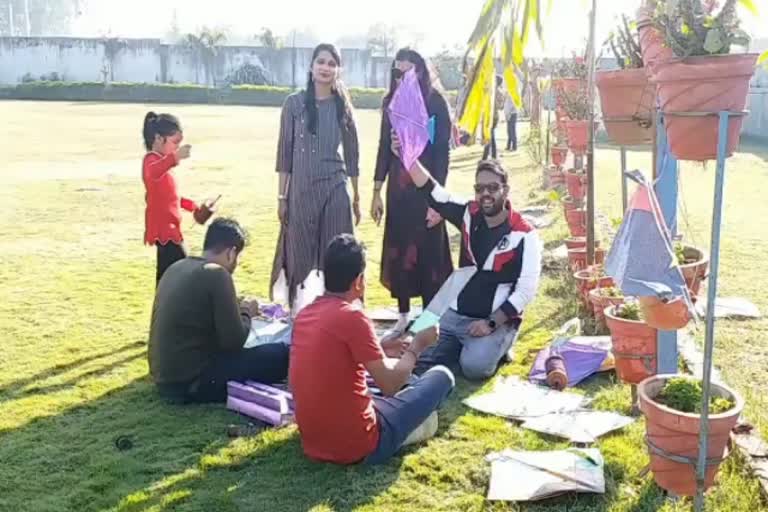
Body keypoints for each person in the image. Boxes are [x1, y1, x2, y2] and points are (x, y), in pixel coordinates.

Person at [290, 234, 455, 465]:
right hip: (359, 444)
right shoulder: (352, 316)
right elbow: (389, 385)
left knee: (404, 379)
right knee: (441, 377)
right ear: (358, 281)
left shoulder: (305, 315)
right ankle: (413, 425)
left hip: (313, 440)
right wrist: (417, 346)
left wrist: (381, 348)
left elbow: (333, 357)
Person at [397, 142, 542, 380]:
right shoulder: (468, 213)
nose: (485, 194)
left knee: (474, 369)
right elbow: (434, 193)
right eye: (480, 188)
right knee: (412, 350)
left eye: (493, 187)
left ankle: (502, 342)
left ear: (505, 190)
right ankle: (457, 345)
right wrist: (406, 154)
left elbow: (526, 291)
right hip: (451, 310)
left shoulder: (525, 234)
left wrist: (492, 324)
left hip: (493, 318)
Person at [149, 218, 289, 403]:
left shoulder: (177, 267)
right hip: (192, 382)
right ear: (231, 253)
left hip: (164, 378)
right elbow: (234, 342)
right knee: (280, 355)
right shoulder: (217, 274)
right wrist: (248, 313)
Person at [270, 43, 361, 316]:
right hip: (300, 190)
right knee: (299, 254)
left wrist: (356, 196)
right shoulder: (294, 104)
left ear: (338, 70)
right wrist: (282, 197)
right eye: (321, 62)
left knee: (337, 255)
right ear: (311, 67)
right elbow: (284, 153)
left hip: (335, 187)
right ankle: (299, 314)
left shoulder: (342, 105)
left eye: (332, 63)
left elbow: (354, 155)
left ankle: (336, 314)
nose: (326, 68)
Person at [370, 48, 454, 334]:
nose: (402, 78)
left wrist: (438, 201)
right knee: (399, 249)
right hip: (399, 191)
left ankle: (431, 321)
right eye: (397, 72)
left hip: (427, 188)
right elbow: (384, 148)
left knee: (430, 253)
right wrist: (377, 190)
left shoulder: (435, 103)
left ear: (421, 71)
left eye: (408, 72)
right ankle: (403, 315)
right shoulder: (391, 104)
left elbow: (443, 153)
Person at [141, 112, 215, 285]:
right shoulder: (151, 161)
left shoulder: (165, 167)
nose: (176, 148)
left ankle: (164, 309)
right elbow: (153, 171)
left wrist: (194, 207)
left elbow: (172, 197)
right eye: (174, 142)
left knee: (168, 278)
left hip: (171, 230)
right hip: (165, 232)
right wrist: (175, 157)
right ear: (158, 138)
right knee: (182, 274)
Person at [482, 75, 505, 160]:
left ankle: (489, 155)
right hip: (491, 115)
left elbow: (500, 105)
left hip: (493, 116)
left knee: (490, 135)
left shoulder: (496, 91)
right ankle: (491, 154)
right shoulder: (495, 91)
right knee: (490, 135)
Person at [504, 86, 518, 152]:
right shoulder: (507, 97)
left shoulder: (512, 96)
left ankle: (514, 146)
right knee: (509, 131)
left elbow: (513, 106)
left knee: (512, 131)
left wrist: (509, 114)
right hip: (509, 115)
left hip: (512, 115)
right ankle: (508, 145)